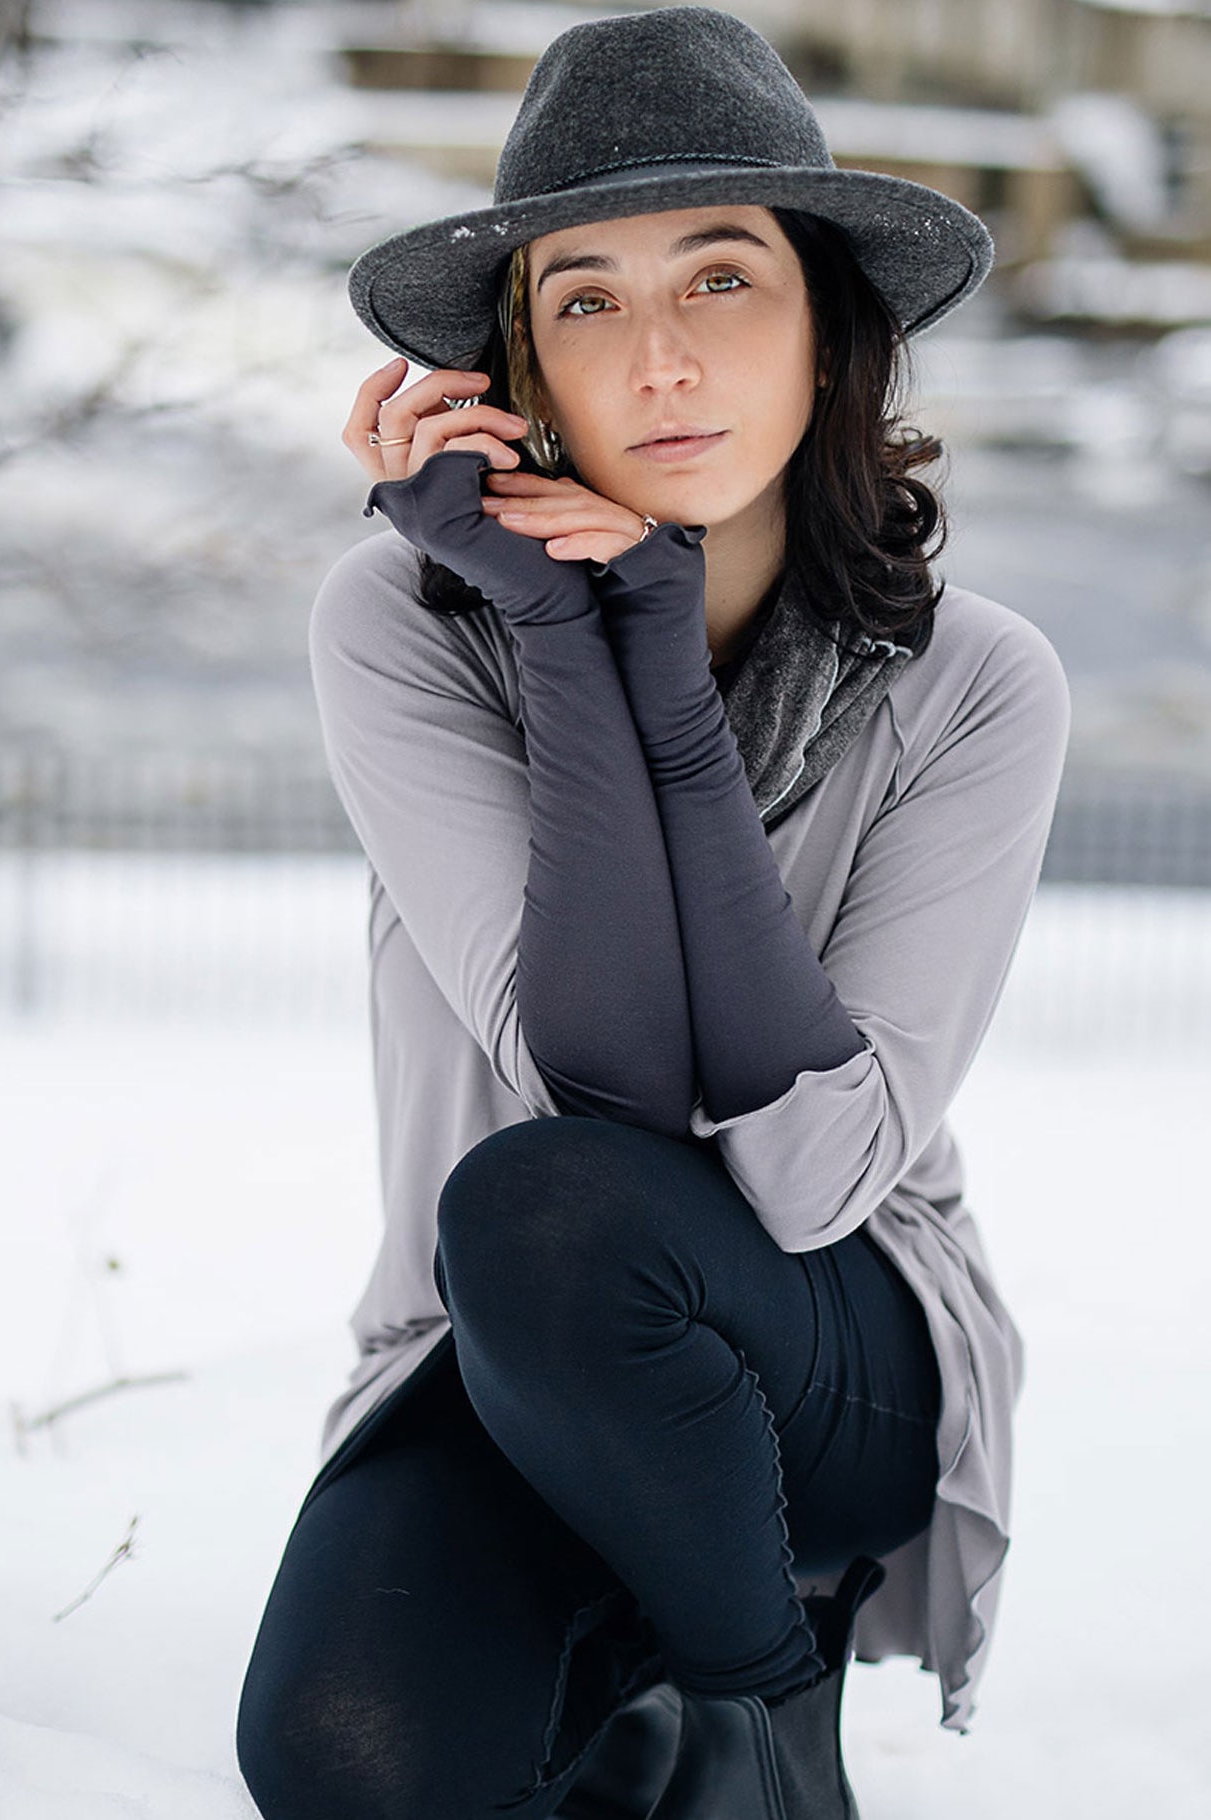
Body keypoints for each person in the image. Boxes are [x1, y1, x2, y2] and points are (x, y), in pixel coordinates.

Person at [235, 9, 1070, 1820]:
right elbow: (589, 1079)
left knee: (551, 1212)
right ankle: (626, 1676)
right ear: (516, 366)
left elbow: (803, 1174)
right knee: (345, 1760)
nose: (662, 356)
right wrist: (559, 626)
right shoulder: (404, 629)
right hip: (506, 1335)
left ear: (831, 329)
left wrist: (657, 684)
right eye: (584, 301)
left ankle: (763, 1721)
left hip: (827, 1365)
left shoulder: (975, 685)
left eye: (721, 277)